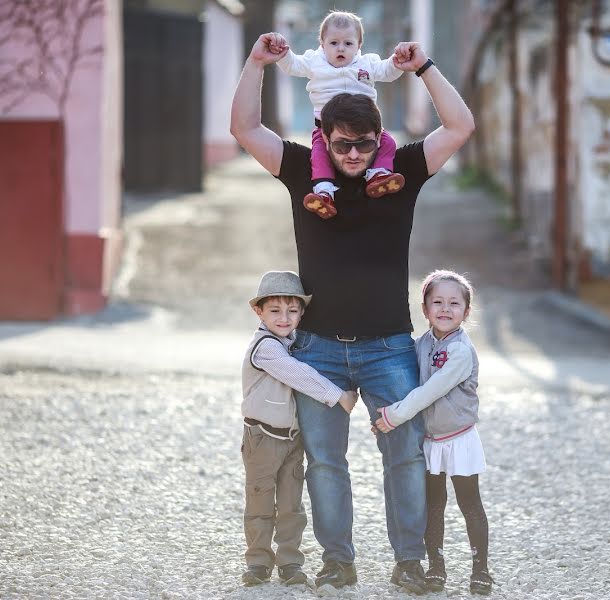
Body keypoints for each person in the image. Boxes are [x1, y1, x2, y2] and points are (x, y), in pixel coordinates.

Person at [231, 31, 474, 593]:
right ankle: (337, 562)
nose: (354, 156)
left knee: (406, 460)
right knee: (325, 465)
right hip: (316, 350)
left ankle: (409, 562)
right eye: (342, 146)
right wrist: (256, 62)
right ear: (324, 138)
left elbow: (460, 127)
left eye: (364, 145)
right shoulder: (301, 170)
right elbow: (244, 128)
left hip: (388, 344)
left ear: (378, 139)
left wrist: (425, 68)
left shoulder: (401, 172)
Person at [375, 270, 493, 596]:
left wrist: (394, 416)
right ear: (425, 309)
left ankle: (481, 569)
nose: (445, 309)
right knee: (433, 505)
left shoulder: (461, 352)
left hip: (459, 438)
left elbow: (430, 391)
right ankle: (436, 567)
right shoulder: (421, 345)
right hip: (430, 441)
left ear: (466, 312)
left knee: (469, 503)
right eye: (437, 302)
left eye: (454, 303)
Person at [240, 270, 358, 587]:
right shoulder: (265, 347)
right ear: (259, 311)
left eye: (293, 311)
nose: (284, 318)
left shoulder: (293, 341)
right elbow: (296, 374)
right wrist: (338, 396)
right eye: (275, 311)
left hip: (292, 439)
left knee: (291, 505)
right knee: (261, 501)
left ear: (302, 313)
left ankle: (290, 562)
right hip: (262, 438)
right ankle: (258, 561)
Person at [265, 11, 405, 219]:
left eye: (348, 43)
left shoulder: (367, 63)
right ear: (322, 43)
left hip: (365, 125)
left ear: (359, 45)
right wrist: (282, 53)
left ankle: (378, 175)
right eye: (334, 43)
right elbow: (292, 65)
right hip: (326, 129)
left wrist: (397, 61)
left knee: (388, 143)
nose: (341, 48)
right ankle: (323, 193)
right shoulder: (314, 61)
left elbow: (388, 72)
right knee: (319, 156)